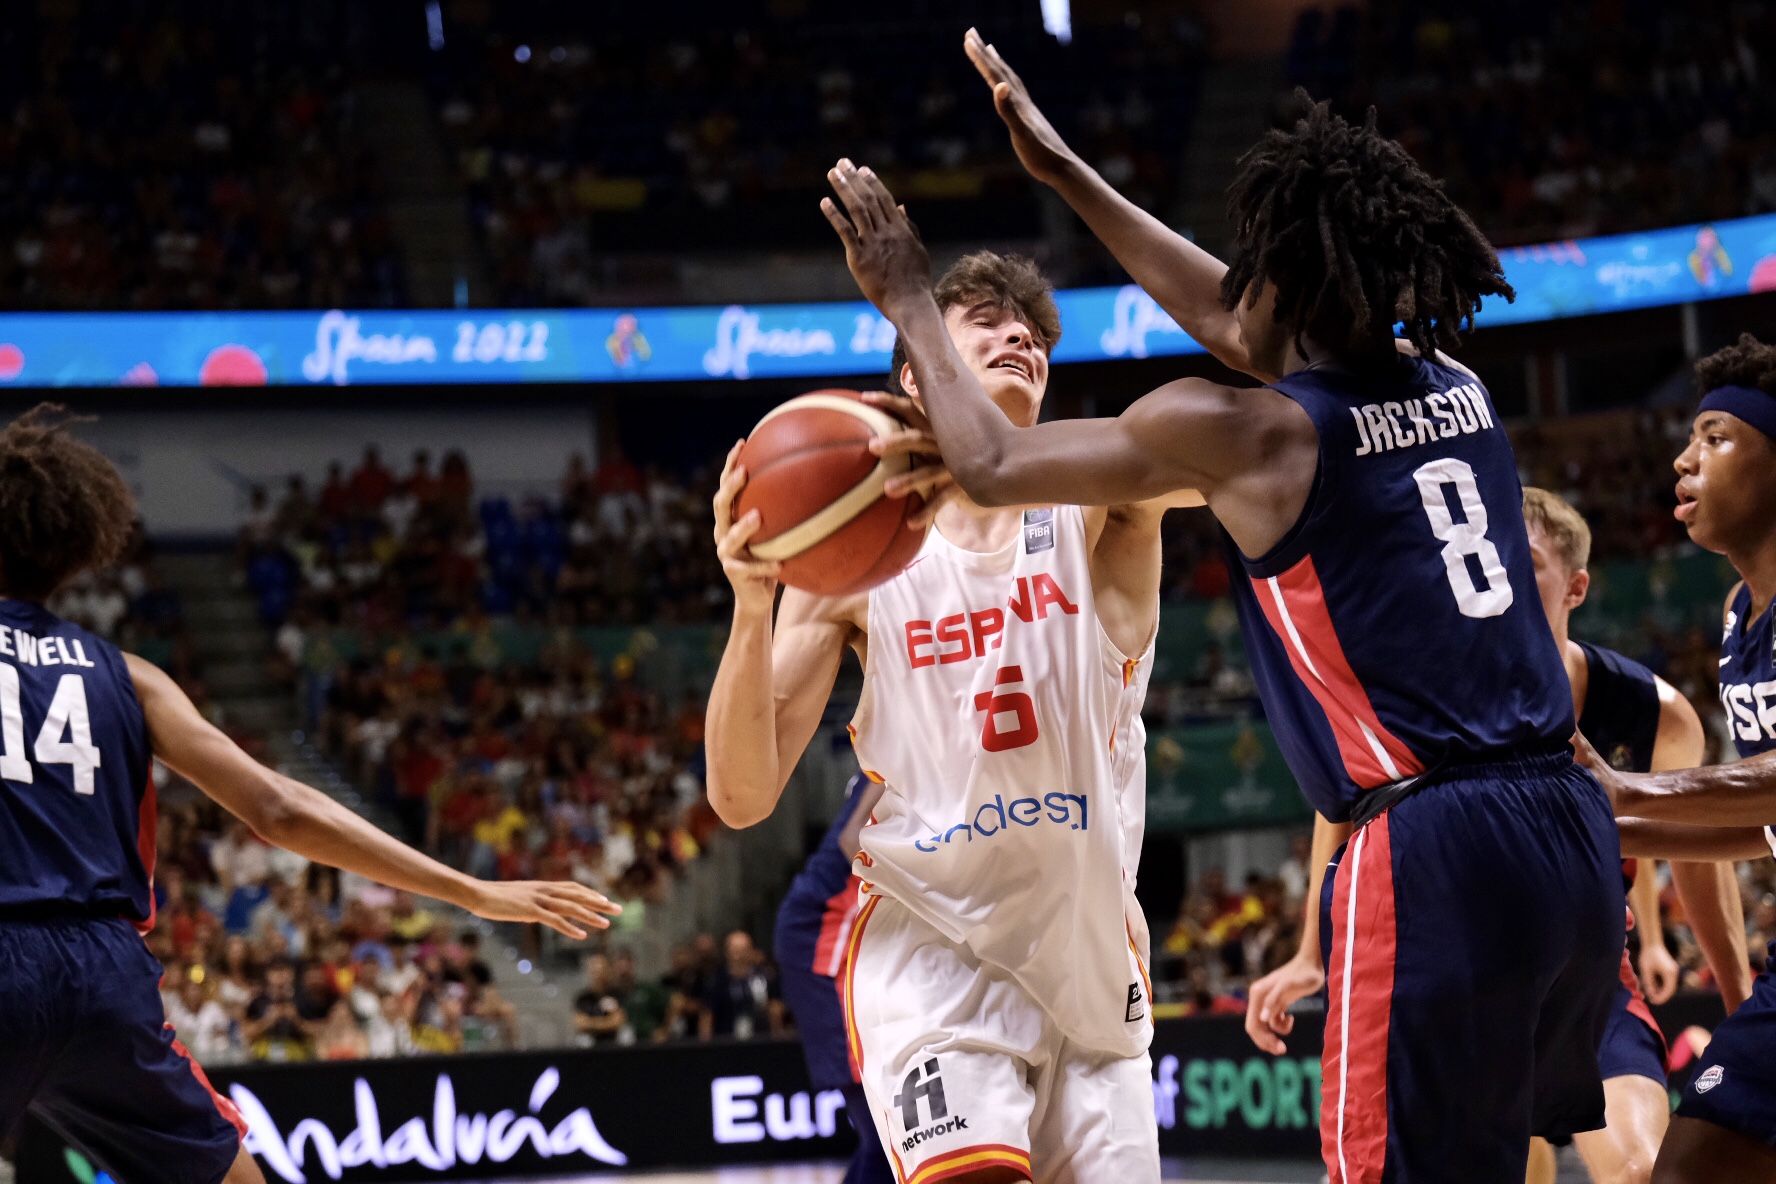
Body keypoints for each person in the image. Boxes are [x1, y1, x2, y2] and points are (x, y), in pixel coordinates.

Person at [825, 33, 1627, 1182]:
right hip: (1565, 830)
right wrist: (1062, 171)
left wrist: (908, 294)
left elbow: (994, 463)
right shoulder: (1463, 387)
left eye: (1260, 267)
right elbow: (1244, 322)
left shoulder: (1258, 432)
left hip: (1436, 841)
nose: (1239, 286)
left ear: (1290, 291)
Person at [0, 406, 620, 1184]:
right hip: (100, 974)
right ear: (76, 549)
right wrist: (469, 889)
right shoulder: (131, 676)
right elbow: (280, 809)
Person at [707, 249, 1200, 1181]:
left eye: (1034, 333)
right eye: (987, 322)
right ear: (916, 369)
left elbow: (1254, 461)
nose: (1021, 337)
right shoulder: (855, 569)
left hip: (1095, 966)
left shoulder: (1099, 500)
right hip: (936, 956)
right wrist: (750, 599)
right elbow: (738, 796)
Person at [1245, 488, 1752, 1184]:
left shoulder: (1652, 710)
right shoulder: (1430, 682)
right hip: (1458, 961)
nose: (1506, 573)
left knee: (1641, 1170)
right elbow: (1348, 800)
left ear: (1576, 586)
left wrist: (1728, 991)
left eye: (1529, 561)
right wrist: (1310, 952)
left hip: (1586, 969)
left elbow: (1692, 858)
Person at [1588, 337, 1776, 1181]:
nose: (1683, 457)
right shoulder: (1740, 613)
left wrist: (1626, 791)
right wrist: (1607, 816)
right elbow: (1761, 820)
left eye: (1716, 436)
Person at [773, 773, 892, 1184]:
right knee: (882, 1131)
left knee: (882, 1136)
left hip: (831, 926)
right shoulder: (893, 757)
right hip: (820, 928)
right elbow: (852, 841)